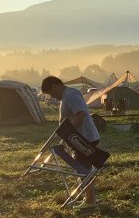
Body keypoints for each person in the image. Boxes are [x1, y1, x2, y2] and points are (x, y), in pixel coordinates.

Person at [40, 76, 100, 208]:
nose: (53, 96)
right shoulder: (67, 95)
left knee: (83, 170)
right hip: (78, 138)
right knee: (81, 169)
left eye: (51, 92)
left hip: (83, 138)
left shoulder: (70, 95)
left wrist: (66, 133)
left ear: (55, 86)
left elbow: (81, 115)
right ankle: (87, 198)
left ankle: (90, 201)